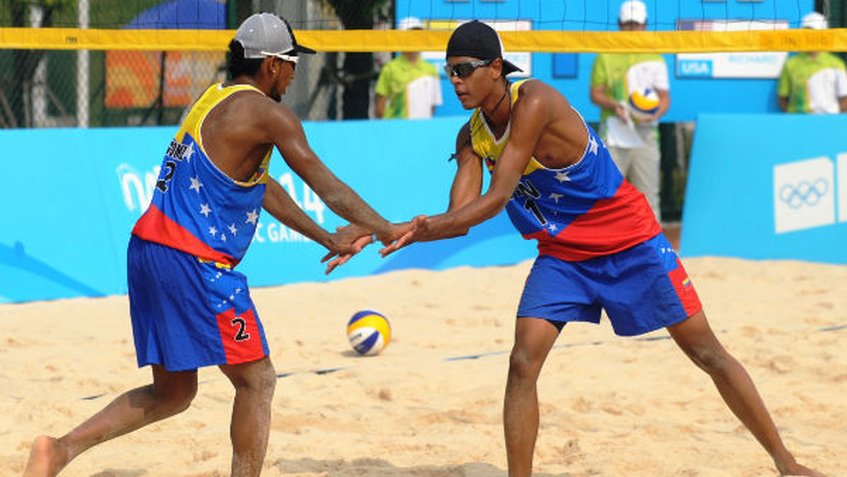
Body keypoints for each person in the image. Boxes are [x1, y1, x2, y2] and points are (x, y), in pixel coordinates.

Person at [379, 19, 827, 477]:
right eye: (449, 71)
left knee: (706, 352)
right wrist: (385, 229)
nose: (454, 81)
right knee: (522, 362)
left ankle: (786, 462)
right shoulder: (471, 136)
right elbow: (457, 218)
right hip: (563, 256)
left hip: (629, 241)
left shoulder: (534, 101)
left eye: (463, 69)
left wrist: (408, 228)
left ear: (496, 68)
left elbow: (494, 200)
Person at [24, 12, 399, 477]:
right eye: (291, 63)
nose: (293, 74)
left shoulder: (213, 98)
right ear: (272, 64)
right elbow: (327, 185)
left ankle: (58, 451)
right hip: (192, 260)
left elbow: (262, 186)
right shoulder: (269, 114)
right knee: (257, 381)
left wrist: (324, 236)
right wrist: (386, 228)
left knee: (173, 392)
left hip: (148, 249)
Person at [589, 0, 669, 220]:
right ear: (619, 24)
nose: (632, 29)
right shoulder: (606, 56)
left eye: (636, 24)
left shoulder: (655, 58)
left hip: (646, 134)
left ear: (645, 25)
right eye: (628, 24)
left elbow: (664, 98)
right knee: (608, 198)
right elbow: (596, 93)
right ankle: (608, 241)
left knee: (649, 199)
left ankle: (652, 243)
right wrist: (615, 105)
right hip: (614, 133)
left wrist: (653, 114)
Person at [777, 11, 847, 114]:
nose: (810, 37)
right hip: (799, 121)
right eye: (807, 33)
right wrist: (796, 116)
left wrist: (831, 116)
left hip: (828, 120)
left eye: (814, 33)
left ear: (823, 36)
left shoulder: (837, 64)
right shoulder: (790, 64)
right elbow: (782, 99)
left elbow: (845, 99)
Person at [374, 16, 443, 119]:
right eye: (411, 34)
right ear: (401, 38)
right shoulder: (390, 69)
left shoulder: (431, 69)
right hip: (396, 126)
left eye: (418, 35)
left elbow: (432, 106)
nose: (415, 38)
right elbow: (380, 107)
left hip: (421, 126)